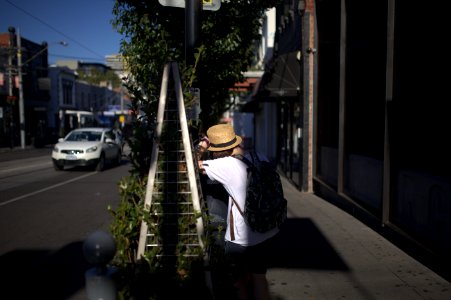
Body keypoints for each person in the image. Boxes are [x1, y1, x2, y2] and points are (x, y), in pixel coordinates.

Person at [197, 124, 279, 300]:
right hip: (267, 229)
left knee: (237, 282)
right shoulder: (259, 157)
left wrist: (202, 147)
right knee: (259, 278)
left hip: (241, 239)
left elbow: (187, 166)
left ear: (216, 149)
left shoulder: (224, 165)